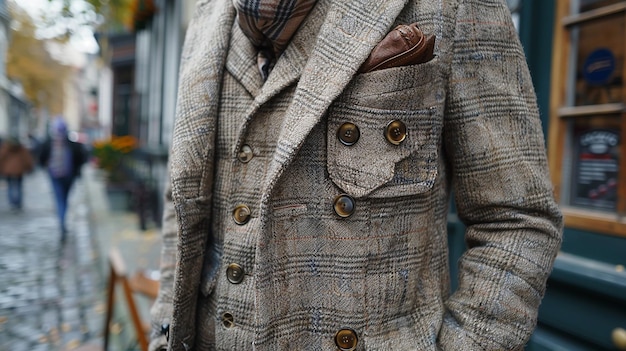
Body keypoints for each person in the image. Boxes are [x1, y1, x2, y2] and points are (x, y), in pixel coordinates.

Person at [150, 1, 563, 350]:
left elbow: (516, 219)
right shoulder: (207, 17)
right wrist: (162, 332)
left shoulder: (454, 6)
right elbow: (183, 205)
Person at [39, 118, 87, 241]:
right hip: (69, 176)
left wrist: (46, 166)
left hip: (55, 175)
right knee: (64, 198)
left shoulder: (49, 142)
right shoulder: (72, 143)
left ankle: (61, 221)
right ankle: (62, 221)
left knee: (59, 198)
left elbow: (41, 158)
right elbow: (82, 158)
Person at [0, 137, 34, 210]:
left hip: (8, 170)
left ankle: (12, 202)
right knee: (19, 186)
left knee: (10, 186)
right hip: (19, 170)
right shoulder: (21, 148)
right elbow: (27, 158)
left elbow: (1, 158)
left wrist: (2, 168)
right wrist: (29, 168)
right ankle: (18, 202)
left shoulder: (5, 148)